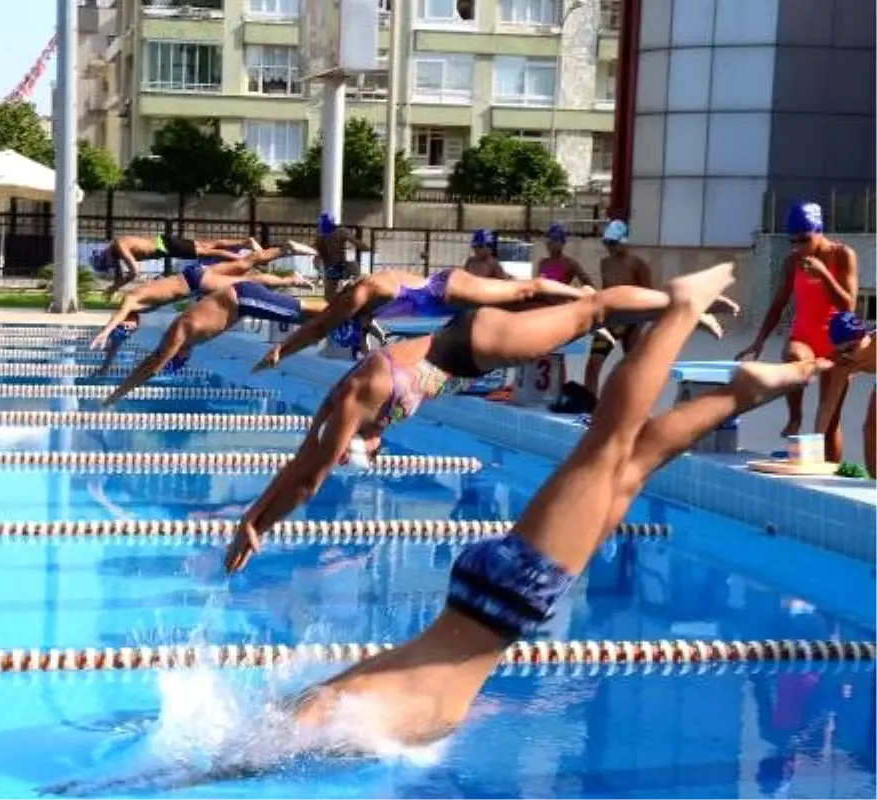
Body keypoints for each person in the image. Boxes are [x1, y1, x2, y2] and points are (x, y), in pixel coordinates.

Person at [259, 264, 830, 749]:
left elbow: (300, 721)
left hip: (509, 599)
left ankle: (680, 311)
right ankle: (743, 392)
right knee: (629, 466)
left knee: (608, 446)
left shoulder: (353, 711)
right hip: (487, 601)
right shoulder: (357, 702)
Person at [224, 274, 740, 573]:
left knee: (592, 311)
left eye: (354, 452)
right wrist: (253, 514)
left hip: (471, 347)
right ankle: (684, 304)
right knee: (588, 311)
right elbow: (300, 463)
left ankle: (686, 301)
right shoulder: (338, 410)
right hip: (467, 344)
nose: (358, 453)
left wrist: (261, 527)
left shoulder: (356, 405)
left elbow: (310, 479)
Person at [253, 268, 591, 371]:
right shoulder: (363, 306)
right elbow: (321, 319)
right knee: (523, 311)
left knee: (523, 291)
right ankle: (578, 307)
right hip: (444, 303)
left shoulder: (362, 294)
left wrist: (281, 351)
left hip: (445, 291)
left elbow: (319, 326)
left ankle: (586, 297)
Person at [738, 201, 858, 461]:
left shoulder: (842, 255)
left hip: (838, 344)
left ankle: (832, 479)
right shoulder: (793, 261)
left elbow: (848, 305)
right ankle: (795, 417)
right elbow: (779, 303)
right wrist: (758, 341)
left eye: (803, 239)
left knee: (829, 422)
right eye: (792, 241)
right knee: (792, 356)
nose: (798, 246)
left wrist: (824, 274)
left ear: (819, 231)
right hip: (804, 337)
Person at [101, 282, 328, 407]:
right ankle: (345, 312)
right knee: (300, 315)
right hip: (243, 300)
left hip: (243, 299)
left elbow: (152, 366)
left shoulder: (178, 335)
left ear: (176, 355)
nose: (186, 358)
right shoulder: (186, 339)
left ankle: (351, 306)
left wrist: (118, 394)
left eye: (181, 360)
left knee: (298, 312)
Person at [89, 244, 311, 351]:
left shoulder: (131, 300)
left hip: (195, 282)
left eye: (126, 327)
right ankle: (286, 249)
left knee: (247, 283)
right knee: (245, 264)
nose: (129, 327)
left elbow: (118, 316)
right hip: (193, 276)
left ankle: (291, 279)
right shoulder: (138, 306)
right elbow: (121, 328)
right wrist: (106, 364)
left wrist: (105, 331)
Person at [582, 219, 654, 399]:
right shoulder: (605, 263)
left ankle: (634, 406)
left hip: (631, 320)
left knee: (633, 368)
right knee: (594, 363)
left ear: (624, 242)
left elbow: (651, 297)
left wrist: (639, 325)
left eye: (613, 243)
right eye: (607, 243)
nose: (609, 247)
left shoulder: (638, 264)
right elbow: (606, 293)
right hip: (610, 320)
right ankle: (589, 404)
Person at [94, 233, 260, 297]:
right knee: (209, 245)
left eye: (106, 265)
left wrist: (115, 287)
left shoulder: (119, 246)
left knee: (208, 252)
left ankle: (247, 260)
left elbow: (134, 271)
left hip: (166, 246)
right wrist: (114, 288)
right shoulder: (115, 255)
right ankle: (245, 242)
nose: (110, 266)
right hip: (165, 244)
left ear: (104, 256)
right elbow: (120, 276)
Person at [815, 311, 876, 476]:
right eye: (842, 352)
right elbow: (828, 405)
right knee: (870, 429)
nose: (849, 355)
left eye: (851, 348)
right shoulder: (845, 364)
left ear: (864, 336)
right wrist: (814, 442)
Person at [314, 213, 369, 299]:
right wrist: (366, 248)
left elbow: (317, 252)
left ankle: (346, 294)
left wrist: (318, 265)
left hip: (331, 267)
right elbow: (357, 243)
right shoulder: (341, 232)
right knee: (353, 270)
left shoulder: (320, 236)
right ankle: (350, 291)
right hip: (339, 266)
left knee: (330, 295)